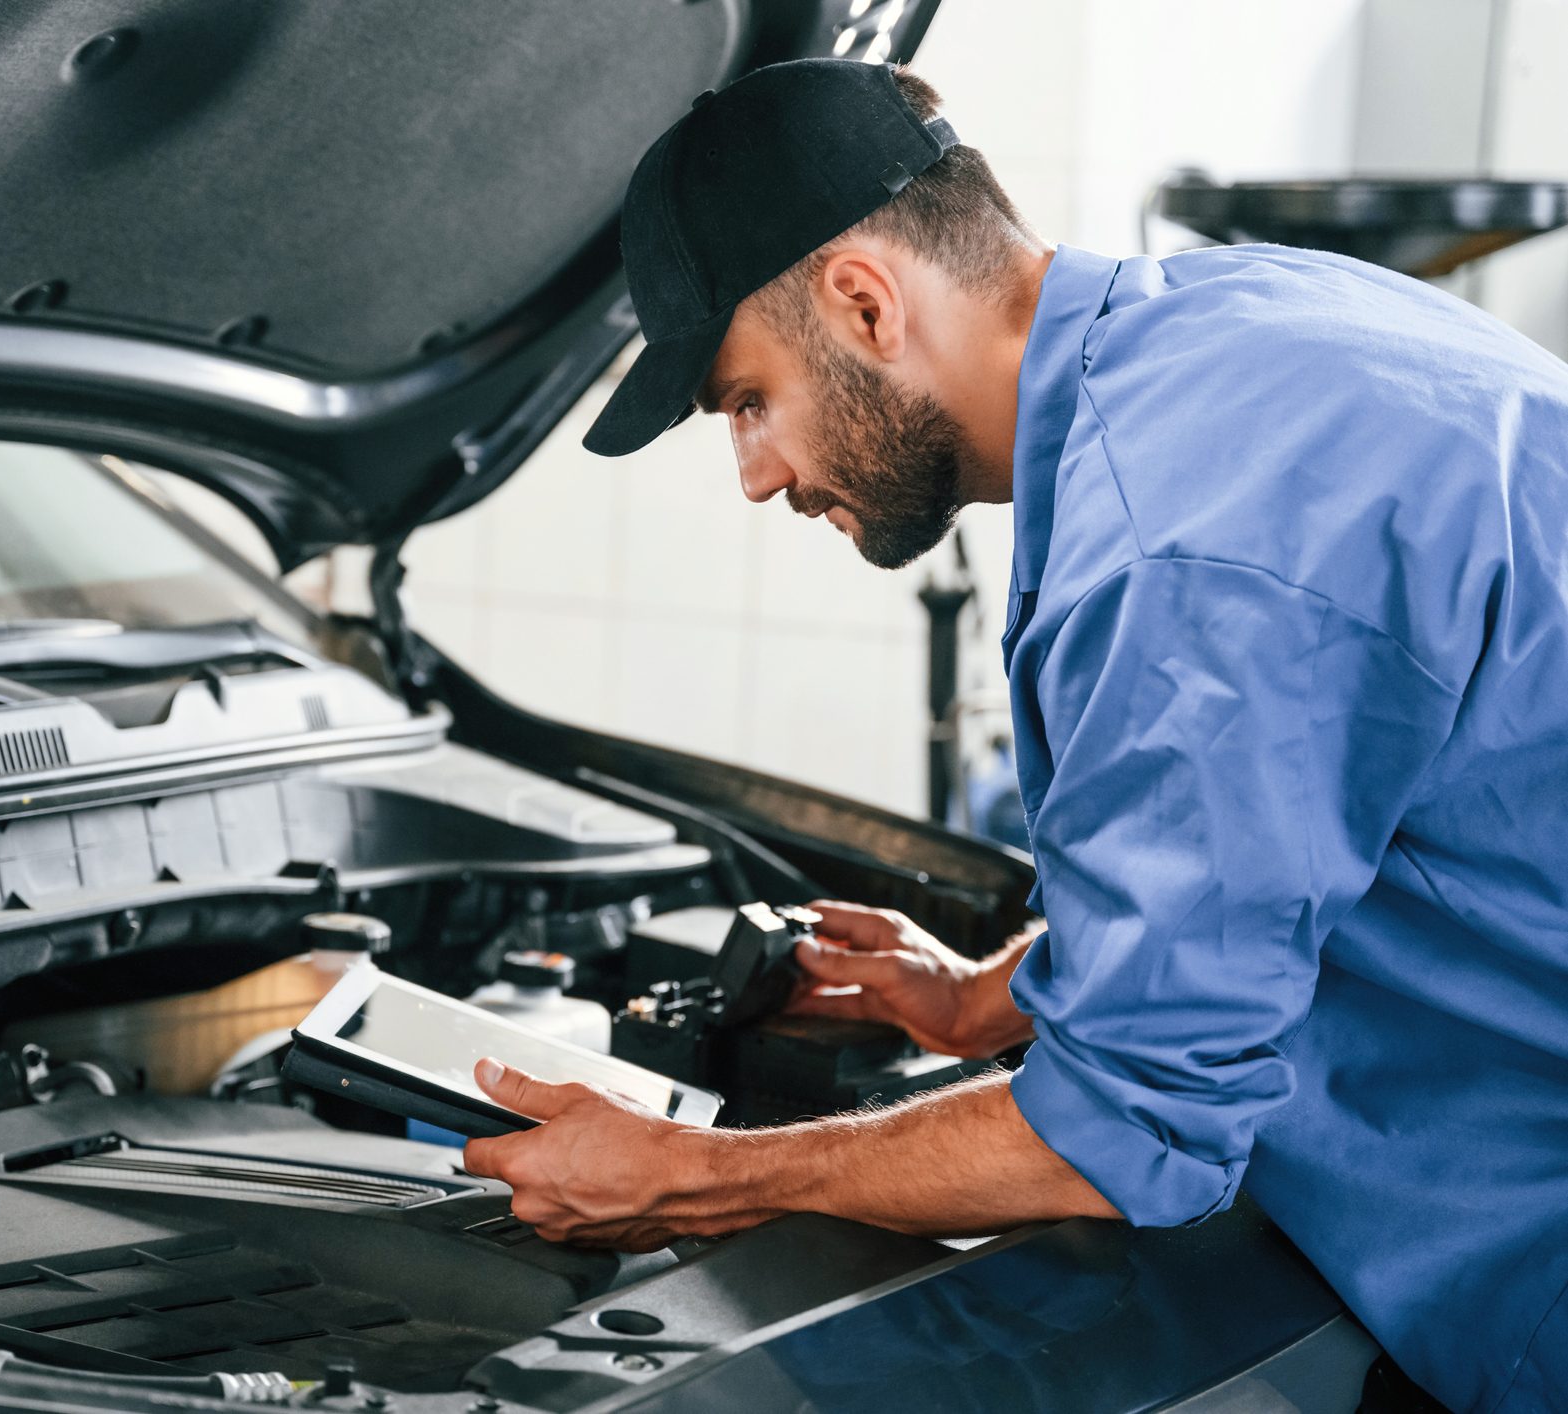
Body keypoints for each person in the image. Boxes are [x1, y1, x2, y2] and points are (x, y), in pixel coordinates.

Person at [456, 59, 1568, 1413]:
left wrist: (692, 1174)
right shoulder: (1244, 335)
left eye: (745, 399)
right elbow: (1289, 820)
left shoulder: (1172, 550)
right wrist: (992, 996)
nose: (753, 474)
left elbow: (1125, 1140)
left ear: (862, 301)